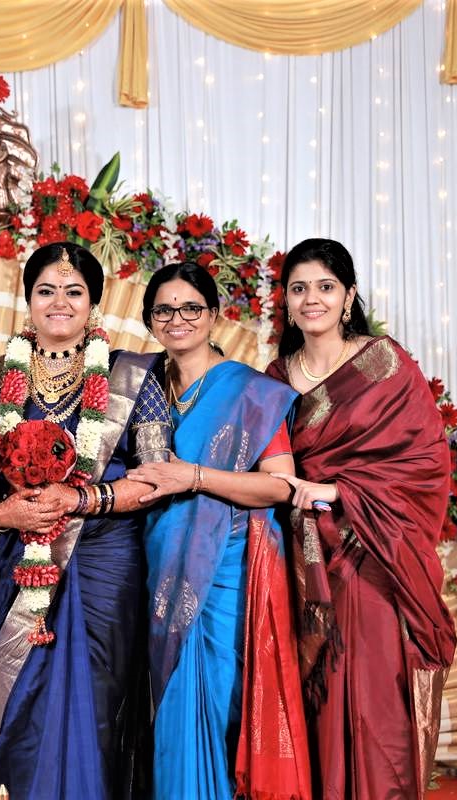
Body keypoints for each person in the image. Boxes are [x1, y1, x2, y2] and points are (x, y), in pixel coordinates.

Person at [0, 242, 170, 799]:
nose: (59, 302)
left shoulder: (135, 376)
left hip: (105, 565)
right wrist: (4, 513)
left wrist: (79, 500)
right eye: (46, 290)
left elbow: (156, 477)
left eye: (74, 291)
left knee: (100, 702)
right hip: (18, 560)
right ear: (28, 300)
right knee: (22, 703)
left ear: (94, 303)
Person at [263, 238, 454, 800]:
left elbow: (426, 464)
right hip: (300, 557)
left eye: (326, 287)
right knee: (311, 702)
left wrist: (339, 491)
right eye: (299, 288)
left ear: (348, 296)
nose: (312, 299)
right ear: (286, 300)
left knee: (373, 700)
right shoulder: (275, 378)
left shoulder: (384, 363)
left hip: (372, 553)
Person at [127, 263, 312, 800]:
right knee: (172, 716)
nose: (177, 319)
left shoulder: (251, 392)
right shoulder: (140, 389)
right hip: (161, 565)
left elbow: (280, 486)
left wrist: (195, 477)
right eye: (164, 310)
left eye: (191, 307)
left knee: (224, 706)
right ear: (150, 320)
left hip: (228, 572)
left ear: (213, 315)